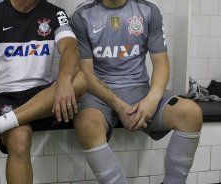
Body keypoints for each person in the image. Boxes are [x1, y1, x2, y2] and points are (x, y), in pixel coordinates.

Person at [0, 0, 87, 183]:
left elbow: (69, 48)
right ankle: (4, 122)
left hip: (39, 96)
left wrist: (65, 81)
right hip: (0, 96)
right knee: (19, 136)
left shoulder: (55, 13)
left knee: (80, 79)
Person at [67, 0, 202, 183]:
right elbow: (86, 75)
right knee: (86, 124)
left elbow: (161, 63)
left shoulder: (148, 10)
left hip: (139, 90)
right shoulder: (81, 15)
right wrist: (119, 106)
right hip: (98, 95)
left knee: (191, 113)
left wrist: (152, 100)